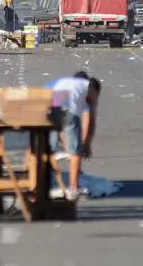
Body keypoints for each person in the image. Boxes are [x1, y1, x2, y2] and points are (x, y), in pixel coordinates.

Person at [50, 71, 101, 200]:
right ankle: (74, 188)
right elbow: (91, 121)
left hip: (43, 102)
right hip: (64, 108)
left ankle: (46, 180)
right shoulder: (89, 89)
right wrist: (85, 146)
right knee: (75, 151)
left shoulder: (68, 84)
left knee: (47, 148)